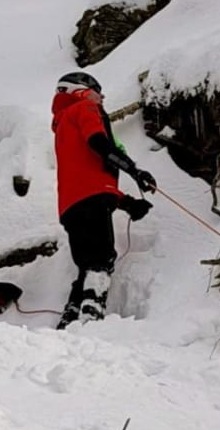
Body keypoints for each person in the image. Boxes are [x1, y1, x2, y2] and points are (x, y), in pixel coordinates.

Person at [50, 71, 157, 328]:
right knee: (100, 259)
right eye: (98, 93)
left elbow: (88, 178)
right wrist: (134, 170)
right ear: (81, 91)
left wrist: (127, 203)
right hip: (93, 201)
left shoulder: (63, 125)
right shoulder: (84, 108)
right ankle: (91, 316)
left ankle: (70, 318)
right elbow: (99, 143)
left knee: (86, 264)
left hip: (70, 208)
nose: (102, 98)